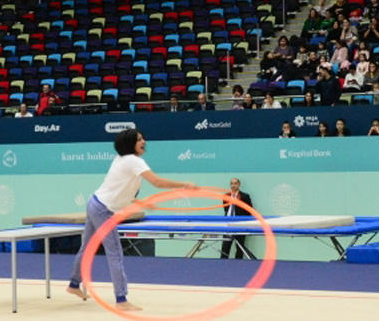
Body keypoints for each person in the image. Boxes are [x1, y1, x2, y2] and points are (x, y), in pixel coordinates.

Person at [66, 129, 195, 311]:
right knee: (115, 253)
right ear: (130, 143)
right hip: (103, 210)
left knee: (87, 248)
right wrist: (184, 185)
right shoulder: (134, 161)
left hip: (95, 203)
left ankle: (73, 284)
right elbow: (157, 182)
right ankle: (121, 299)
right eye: (139, 139)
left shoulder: (121, 160)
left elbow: (119, 188)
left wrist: (139, 201)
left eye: (143, 138)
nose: (144, 141)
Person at [220, 177, 253, 260]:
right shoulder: (226, 196)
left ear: (239, 185)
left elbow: (249, 210)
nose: (233, 185)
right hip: (228, 225)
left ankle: (238, 266)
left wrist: (244, 223)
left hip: (240, 225)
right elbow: (226, 210)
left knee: (239, 247)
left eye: (235, 183)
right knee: (225, 247)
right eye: (231, 183)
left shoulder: (245, 196)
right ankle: (222, 265)